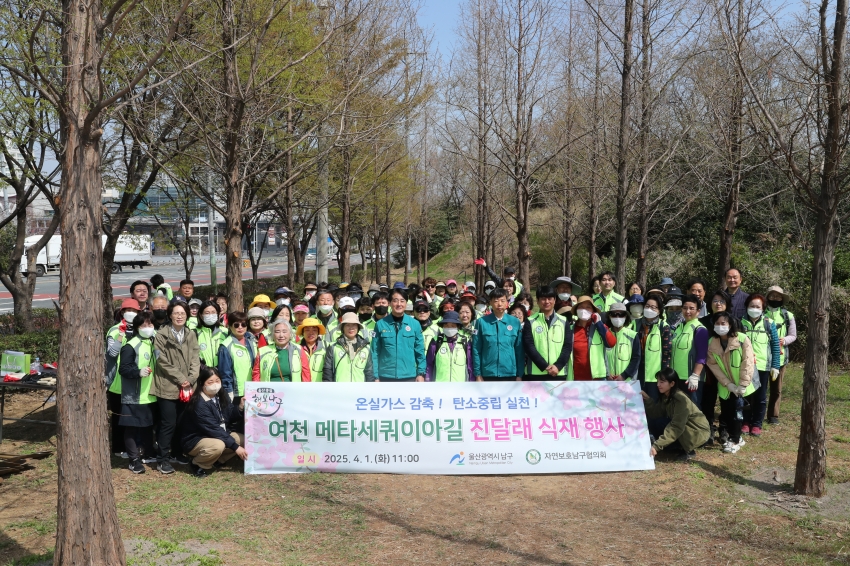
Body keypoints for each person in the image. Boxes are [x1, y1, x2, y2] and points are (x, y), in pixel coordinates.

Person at [151, 301, 200, 474]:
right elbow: (161, 360)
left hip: (187, 385)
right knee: (168, 423)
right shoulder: (161, 335)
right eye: (176, 313)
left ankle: (178, 453)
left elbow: (195, 357)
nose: (179, 316)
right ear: (170, 315)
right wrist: (181, 378)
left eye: (183, 313)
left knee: (182, 422)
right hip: (168, 385)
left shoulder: (191, 334)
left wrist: (191, 378)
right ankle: (162, 459)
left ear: (187, 315)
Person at [180, 367, 247, 478]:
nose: (215, 385)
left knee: (244, 440)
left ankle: (217, 460)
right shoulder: (199, 403)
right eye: (210, 382)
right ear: (202, 383)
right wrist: (235, 447)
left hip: (218, 434)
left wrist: (240, 407)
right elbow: (213, 429)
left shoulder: (222, 394)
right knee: (218, 445)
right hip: (197, 439)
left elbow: (230, 414)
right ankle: (197, 464)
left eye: (217, 381)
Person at [705, 313, 754, 454]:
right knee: (726, 412)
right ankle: (734, 438)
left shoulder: (742, 339)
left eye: (724, 323)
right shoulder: (712, 342)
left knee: (737, 413)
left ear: (730, 325)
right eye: (717, 323)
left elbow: (748, 361)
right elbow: (713, 365)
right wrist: (727, 384)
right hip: (725, 385)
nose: (720, 326)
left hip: (741, 384)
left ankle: (735, 440)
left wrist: (743, 384)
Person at [118, 311, 158, 473]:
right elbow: (124, 369)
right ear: (136, 327)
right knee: (132, 428)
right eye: (143, 325)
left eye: (150, 324)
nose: (147, 327)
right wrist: (138, 372)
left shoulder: (154, 342)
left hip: (150, 395)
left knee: (147, 426)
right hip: (133, 395)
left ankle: (148, 452)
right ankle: (133, 459)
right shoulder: (131, 345)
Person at [642, 368, 711, 462]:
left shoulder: (680, 399)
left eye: (662, 382)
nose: (658, 385)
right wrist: (647, 399)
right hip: (686, 429)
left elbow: (676, 426)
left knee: (663, 423)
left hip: (697, 434)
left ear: (672, 384)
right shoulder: (667, 396)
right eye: (658, 381)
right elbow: (656, 413)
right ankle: (675, 447)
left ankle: (688, 450)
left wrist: (657, 446)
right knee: (656, 423)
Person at [106, 298, 143, 458]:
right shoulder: (114, 330)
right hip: (117, 382)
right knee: (119, 418)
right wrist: (121, 335)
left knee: (134, 417)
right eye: (128, 310)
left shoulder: (140, 330)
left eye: (134, 311)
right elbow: (112, 353)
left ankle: (135, 446)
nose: (131, 313)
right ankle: (119, 448)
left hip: (136, 380)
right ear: (122, 312)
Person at [740, 294, 780, 437]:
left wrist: (775, 365)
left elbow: (775, 345)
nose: (754, 309)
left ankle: (757, 424)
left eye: (758, 306)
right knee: (746, 395)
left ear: (763, 308)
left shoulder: (769, 324)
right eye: (752, 306)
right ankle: (745, 422)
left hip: (763, 366)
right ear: (747, 307)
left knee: (760, 397)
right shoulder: (740, 323)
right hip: (745, 366)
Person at [697, 289, 733, 443]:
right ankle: (709, 429)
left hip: (727, 368)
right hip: (709, 368)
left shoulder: (733, 321)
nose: (718, 304)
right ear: (710, 304)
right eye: (715, 301)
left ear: (727, 304)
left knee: (726, 399)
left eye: (722, 301)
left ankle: (724, 429)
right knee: (708, 399)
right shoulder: (703, 322)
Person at [370, 289, 426, 382]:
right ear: (390, 303)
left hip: (409, 376)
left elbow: (420, 351)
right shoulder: (380, 324)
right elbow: (375, 351)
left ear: (406, 303)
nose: (399, 304)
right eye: (395, 300)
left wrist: (420, 373)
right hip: (385, 376)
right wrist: (375, 376)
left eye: (402, 301)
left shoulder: (414, 324)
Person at [472, 289, 524, 381]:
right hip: (488, 373)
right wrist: (478, 374)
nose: (499, 304)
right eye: (496, 301)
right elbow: (476, 349)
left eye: (502, 301)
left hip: (510, 373)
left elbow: (519, 350)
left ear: (507, 303)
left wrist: (519, 374)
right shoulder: (481, 322)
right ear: (490, 303)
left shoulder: (515, 322)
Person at [523, 286, 572, 380]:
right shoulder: (530, 321)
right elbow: (529, 346)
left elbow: (567, 346)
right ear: (537, 301)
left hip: (558, 372)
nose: (547, 302)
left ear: (555, 300)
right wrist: (545, 366)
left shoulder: (563, 321)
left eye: (550, 298)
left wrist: (558, 366)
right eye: (543, 299)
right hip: (535, 373)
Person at [764, 286, 796, 424]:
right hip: (762, 357)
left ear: (782, 299)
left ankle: (773, 415)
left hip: (781, 357)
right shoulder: (760, 312)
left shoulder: (787, 315)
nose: (775, 298)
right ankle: (754, 413)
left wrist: (785, 340)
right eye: (772, 296)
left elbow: (793, 335)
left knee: (776, 389)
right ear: (767, 297)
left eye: (778, 296)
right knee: (758, 388)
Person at [632, 294, 672, 400]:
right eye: (647, 306)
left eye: (653, 307)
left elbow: (666, 353)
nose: (649, 309)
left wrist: (663, 376)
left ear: (659, 311)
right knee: (638, 404)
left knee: (654, 406)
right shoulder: (635, 324)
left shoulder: (663, 327)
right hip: (637, 372)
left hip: (655, 376)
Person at [670, 294, 708, 405]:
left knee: (692, 410)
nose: (687, 311)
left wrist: (695, 375)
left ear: (698, 311)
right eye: (685, 308)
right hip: (676, 377)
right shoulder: (679, 327)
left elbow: (702, 355)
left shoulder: (700, 329)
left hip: (690, 379)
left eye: (691, 308)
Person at [569, 296, 616, 380]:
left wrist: (599, 322)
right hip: (576, 378)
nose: (584, 310)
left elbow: (611, 343)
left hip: (597, 378)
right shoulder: (571, 329)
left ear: (593, 311)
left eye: (588, 307)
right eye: (581, 307)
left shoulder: (599, 327)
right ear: (576, 310)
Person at [217, 311, 258, 401]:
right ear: (230, 326)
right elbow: (225, 373)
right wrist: (228, 392)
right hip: (237, 393)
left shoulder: (252, 342)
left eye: (243, 324)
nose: (240, 327)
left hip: (254, 389)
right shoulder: (226, 346)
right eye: (236, 325)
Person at [324, 312, 375, 382]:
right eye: (347, 325)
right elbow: (328, 371)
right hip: (339, 389)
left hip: (360, 389)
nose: (351, 328)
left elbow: (369, 372)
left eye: (354, 325)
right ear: (343, 328)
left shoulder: (366, 348)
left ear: (358, 327)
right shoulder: (333, 347)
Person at [426, 311, 474, 382]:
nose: (449, 328)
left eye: (452, 325)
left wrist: (471, 382)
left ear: (458, 327)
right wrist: (427, 380)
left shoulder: (465, 341)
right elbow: (429, 364)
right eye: (446, 325)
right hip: (440, 386)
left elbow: (470, 365)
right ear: (443, 326)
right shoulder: (436, 341)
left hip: (460, 387)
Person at [605, 303, 641, 381]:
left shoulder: (633, 335)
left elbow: (636, 359)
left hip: (627, 382)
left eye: (621, 314)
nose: (617, 317)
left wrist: (624, 375)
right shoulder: (604, 335)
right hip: (608, 382)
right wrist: (606, 373)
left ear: (626, 316)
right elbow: (600, 357)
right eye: (614, 314)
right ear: (609, 316)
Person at [196, 301, 224, 367]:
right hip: (203, 373)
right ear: (200, 315)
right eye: (207, 313)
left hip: (222, 374)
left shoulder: (225, 332)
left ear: (218, 314)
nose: (210, 315)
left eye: (213, 312)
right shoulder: (194, 333)